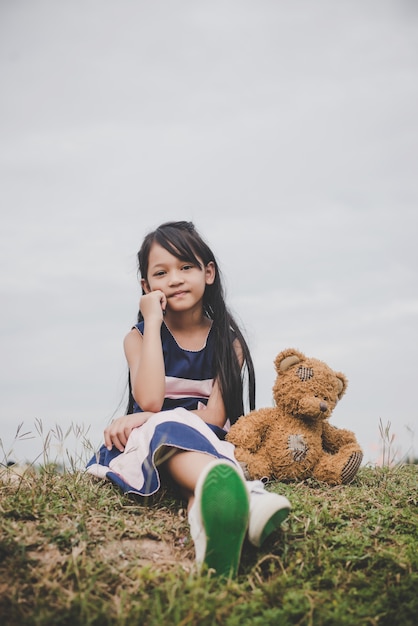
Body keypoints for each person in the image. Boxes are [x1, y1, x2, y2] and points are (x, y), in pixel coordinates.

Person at [87, 221, 290, 577]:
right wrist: (153, 321)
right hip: (149, 448)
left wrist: (148, 417)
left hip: (208, 444)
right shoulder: (137, 338)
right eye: (161, 273)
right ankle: (250, 497)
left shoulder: (229, 343)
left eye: (186, 267)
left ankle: (209, 546)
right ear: (146, 287)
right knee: (167, 429)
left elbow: (214, 418)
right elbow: (151, 400)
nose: (175, 279)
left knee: (205, 491)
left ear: (207, 272)